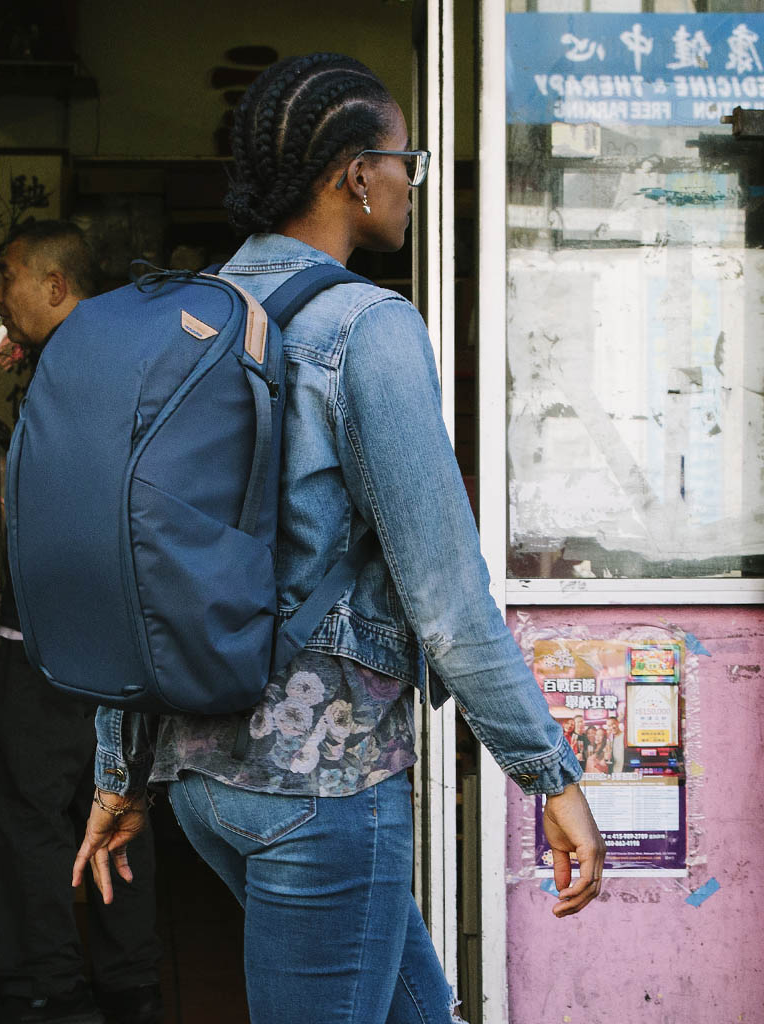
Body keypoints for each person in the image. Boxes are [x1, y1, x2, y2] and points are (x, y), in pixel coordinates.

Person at [72, 54, 605, 1024]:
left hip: (202, 780)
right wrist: (547, 773)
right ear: (355, 176)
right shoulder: (367, 327)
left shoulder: (182, 317)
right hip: (323, 787)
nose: (411, 180)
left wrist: (121, 770)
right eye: (407, 159)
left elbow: (127, 565)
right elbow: (444, 593)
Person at [0, 220, 163, 1024]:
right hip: (122, 648)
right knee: (118, 815)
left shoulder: (71, 367)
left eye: (9, 276)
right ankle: (132, 989)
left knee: (33, 826)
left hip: (53, 650)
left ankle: (47, 995)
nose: (0, 296)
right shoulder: (125, 356)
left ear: (55, 285)